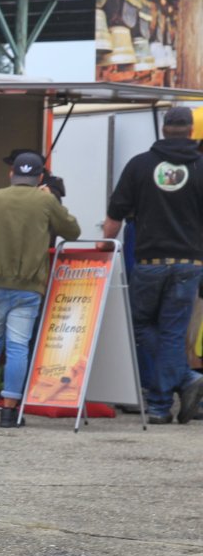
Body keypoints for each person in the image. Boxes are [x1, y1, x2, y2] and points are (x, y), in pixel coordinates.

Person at [102, 106, 203, 424]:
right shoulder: (201, 167)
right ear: (190, 131)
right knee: (173, 332)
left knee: (139, 323)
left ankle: (165, 401)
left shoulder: (140, 165)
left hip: (149, 262)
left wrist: (105, 245)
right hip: (190, 264)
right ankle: (177, 387)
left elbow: (115, 216)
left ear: (163, 129)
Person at [0, 151, 81, 428]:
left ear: (11, 174)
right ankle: (9, 412)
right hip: (28, 286)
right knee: (18, 347)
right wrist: (49, 198)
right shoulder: (45, 200)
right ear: (40, 177)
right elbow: (72, 231)